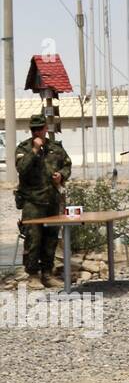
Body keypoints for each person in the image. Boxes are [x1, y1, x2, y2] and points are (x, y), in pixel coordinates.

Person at [14, 113, 72, 287]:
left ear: (46, 129)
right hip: (32, 201)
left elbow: (67, 164)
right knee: (33, 238)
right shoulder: (23, 148)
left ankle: (47, 273)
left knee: (51, 238)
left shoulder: (55, 147)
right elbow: (22, 169)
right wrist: (34, 151)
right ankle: (32, 275)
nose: (38, 132)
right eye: (35, 129)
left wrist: (61, 176)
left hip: (52, 199)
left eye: (41, 128)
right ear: (31, 130)